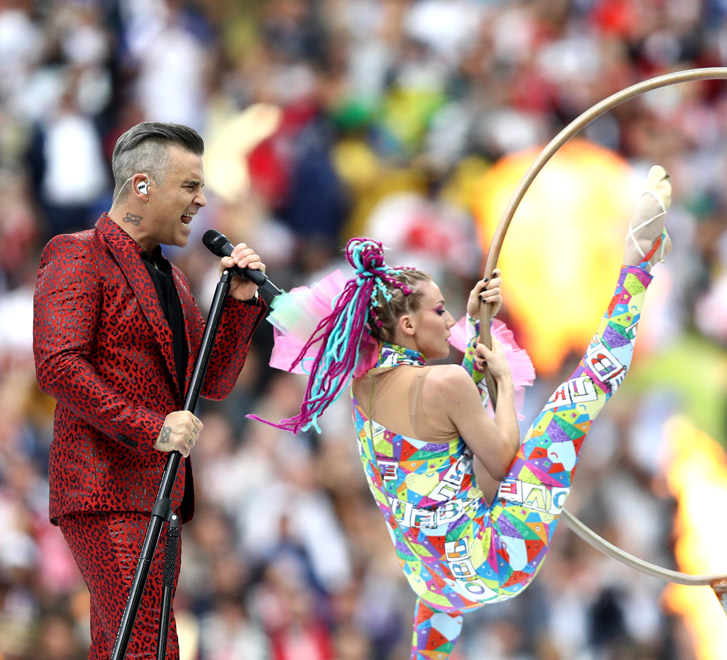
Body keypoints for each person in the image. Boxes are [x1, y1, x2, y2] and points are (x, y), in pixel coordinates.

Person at [260, 165, 673, 658]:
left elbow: (443, 432)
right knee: (580, 394)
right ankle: (639, 266)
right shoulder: (446, 381)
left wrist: (480, 328)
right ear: (408, 325)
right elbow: (500, 462)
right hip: (497, 560)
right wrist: (500, 382)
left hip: (434, 585)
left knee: (436, 609)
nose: (451, 319)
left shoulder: (361, 385)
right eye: (440, 311)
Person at [33, 122, 269, 659]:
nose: (202, 200)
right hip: (103, 486)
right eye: (189, 185)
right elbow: (58, 366)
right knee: (139, 639)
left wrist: (235, 304)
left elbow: (212, 381)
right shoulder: (76, 253)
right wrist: (152, 427)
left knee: (154, 642)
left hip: (159, 493)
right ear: (142, 186)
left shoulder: (173, 277)